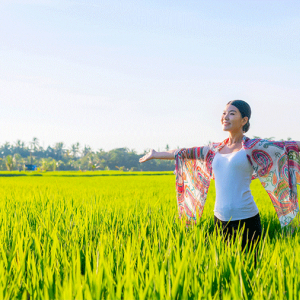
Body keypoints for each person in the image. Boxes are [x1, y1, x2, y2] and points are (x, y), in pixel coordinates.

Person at [139, 100, 300, 250]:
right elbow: (183, 153)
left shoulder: (254, 146)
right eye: (224, 113)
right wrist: (156, 153)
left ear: (244, 120)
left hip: (247, 219)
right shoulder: (214, 149)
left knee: (249, 273)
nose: (225, 117)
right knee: (224, 273)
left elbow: (289, 146)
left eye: (231, 113)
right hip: (219, 219)